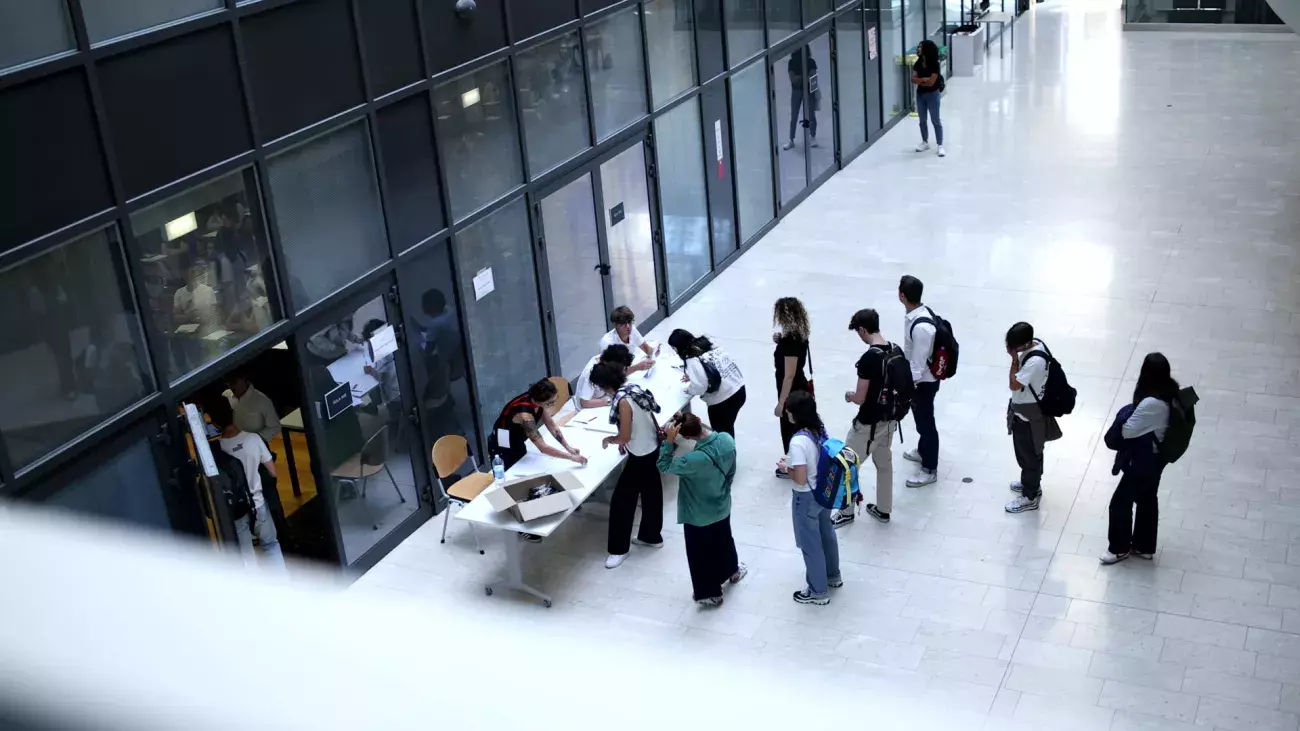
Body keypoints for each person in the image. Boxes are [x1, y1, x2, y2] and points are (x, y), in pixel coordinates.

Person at [657, 412, 746, 606]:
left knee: (700, 554)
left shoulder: (693, 460)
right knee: (724, 539)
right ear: (699, 421)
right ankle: (732, 571)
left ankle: (709, 593)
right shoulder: (726, 439)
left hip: (698, 513)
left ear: (686, 438)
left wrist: (669, 442)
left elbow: (664, 465)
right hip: (721, 503)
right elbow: (731, 470)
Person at [1100, 353, 1176, 564]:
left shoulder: (1151, 403)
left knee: (1120, 503)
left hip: (1142, 461)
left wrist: (1127, 412)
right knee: (1147, 499)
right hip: (1156, 458)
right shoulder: (1170, 392)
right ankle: (1144, 546)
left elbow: (1127, 431)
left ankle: (1119, 548)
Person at [591, 362, 664, 569]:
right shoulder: (633, 389)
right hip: (650, 446)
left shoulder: (622, 402)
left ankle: (618, 549)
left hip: (640, 453)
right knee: (651, 492)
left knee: (622, 502)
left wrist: (610, 440)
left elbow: (624, 435)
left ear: (604, 385)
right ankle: (651, 536)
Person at [209, 398, 285, 571]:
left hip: (237, 508)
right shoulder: (253, 439)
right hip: (258, 504)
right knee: (271, 545)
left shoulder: (218, 450)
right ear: (234, 414)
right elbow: (272, 473)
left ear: (214, 422)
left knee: (247, 558)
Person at [781, 391, 841, 605]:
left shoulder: (798, 442)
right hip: (824, 492)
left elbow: (799, 478)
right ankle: (833, 575)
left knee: (810, 544)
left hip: (805, 497)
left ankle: (818, 591)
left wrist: (784, 467)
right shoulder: (820, 430)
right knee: (827, 532)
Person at [841, 309, 897, 526]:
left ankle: (846, 511)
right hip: (889, 420)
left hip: (867, 425)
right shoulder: (894, 350)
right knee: (884, 463)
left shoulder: (868, 359)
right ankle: (883, 509)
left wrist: (849, 396)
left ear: (863, 330)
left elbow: (861, 398)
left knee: (846, 464)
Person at [1005, 323, 1055, 514]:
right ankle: (1032, 484)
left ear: (1024, 344)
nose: (1011, 349)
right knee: (1032, 452)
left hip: (1029, 415)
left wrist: (1014, 360)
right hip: (1027, 410)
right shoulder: (1037, 344)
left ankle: (1030, 497)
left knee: (1028, 455)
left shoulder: (1034, 362)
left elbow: (1014, 384)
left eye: (1013, 346)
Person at [488, 379, 587, 470]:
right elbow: (543, 448)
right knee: (510, 472)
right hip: (503, 444)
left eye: (554, 401)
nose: (552, 405)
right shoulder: (525, 416)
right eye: (549, 403)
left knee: (524, 463)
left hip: (517, 438)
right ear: (539, 401)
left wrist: (568, 447)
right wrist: (571, 457)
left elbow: (551, 425)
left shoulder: (538, 401)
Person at [668, 329, 747, 438]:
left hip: (722, 401)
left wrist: (689, 389)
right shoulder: (707, 342)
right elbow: (713, 366)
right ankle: (729, 450)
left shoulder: (691, 359)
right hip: (739, 389)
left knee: (723, 435)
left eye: (674, 348)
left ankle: (727, 453)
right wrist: (694, 375)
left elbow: (700, 386)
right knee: (728, 427)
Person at [899, 276, 939, 488]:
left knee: (926, 424)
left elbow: (918, 364)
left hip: (923, 382)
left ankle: (929, 469)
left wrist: (906, 386)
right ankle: (923, 451)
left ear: (902, 295)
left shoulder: (921, 327)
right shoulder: (916, 315)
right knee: (921, 421)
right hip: (920, 379)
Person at [773, 297, 812, 479]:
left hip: (791, 391)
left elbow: (789, 374)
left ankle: (792, 467)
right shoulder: (801, 333)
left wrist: (781, 403)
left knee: (789, 428)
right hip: (800, 386)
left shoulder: (790, 342)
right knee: (799, 426)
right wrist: (780, 341)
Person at [225, 372, 280, 444]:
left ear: (244, 378)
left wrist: (255, 438)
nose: (231, 386)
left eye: (233, 381)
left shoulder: (262, 400)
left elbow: (275, 427)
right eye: (228, 382)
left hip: (257, 448)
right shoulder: (227, 396)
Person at [572, 344, 634, 409]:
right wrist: (610, 401)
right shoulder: (592, 372)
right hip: (590, 408)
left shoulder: (608, 362)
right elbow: (584, 402)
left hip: (604, 397)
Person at [912, 39, 945, 158]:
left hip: (933, 94)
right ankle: (925, 142)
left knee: (936, 120)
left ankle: (940, 145)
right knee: (922, 120)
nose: (918, 48)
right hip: (921, 94)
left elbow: (931, 82)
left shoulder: (935, 64)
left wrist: (921, 81)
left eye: (920, 47)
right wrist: (923, 80)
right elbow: (913, 79)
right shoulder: (918, 62)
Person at [782, 45, 819, 150]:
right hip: (798, 91)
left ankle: (812, 136)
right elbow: (794, 79)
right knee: (794, 115)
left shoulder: (810, 62)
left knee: (810, 114)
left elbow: (811, 77)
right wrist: (805, 78)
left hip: (807, 91)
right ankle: (791, 139)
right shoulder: (792, 62)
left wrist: (800, 78)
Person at [599, 306, 655, 372]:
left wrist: (655, 352)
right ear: (615, 325)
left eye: (630, 322)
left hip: (628, 368)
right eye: (623, 323)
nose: (628, 326)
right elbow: (613, 374)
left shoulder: (632, 330)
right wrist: (637, 367)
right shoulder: (608, 343)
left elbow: (645, 348)